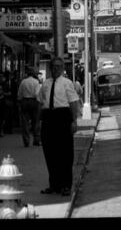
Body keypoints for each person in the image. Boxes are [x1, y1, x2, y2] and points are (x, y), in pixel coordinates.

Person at [36, 57, 82, 196]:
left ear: (62, 68)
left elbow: (73, 103)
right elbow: (40, 103)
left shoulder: (67, 83)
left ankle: (66, 185)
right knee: (50, 152)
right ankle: (54, 184)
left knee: (65, 153)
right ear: (50, 68)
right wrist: (38, 121)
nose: (55, 69)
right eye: (53, 66)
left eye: (58, 67)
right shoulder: (45, 84)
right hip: (48, 118)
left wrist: (74, 121)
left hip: (63, 117)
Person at [16, 67, 41, 147]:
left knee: (25, 122)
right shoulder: (36, 82)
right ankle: (36, 140)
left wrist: (19, 101)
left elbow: (19, 93)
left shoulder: (23, 82)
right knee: (35, 121)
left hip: (25, 101)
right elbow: (37, 93)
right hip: (33, 101)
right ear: (33, 74)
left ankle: (26, 141)